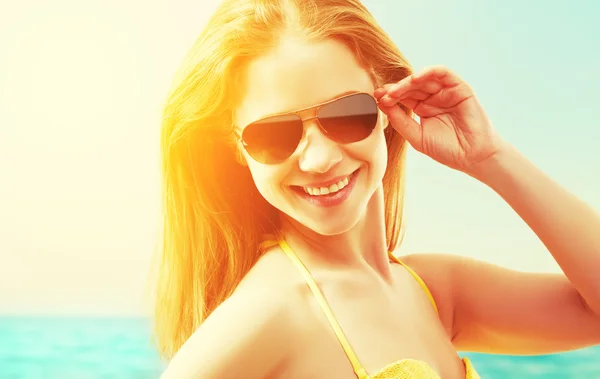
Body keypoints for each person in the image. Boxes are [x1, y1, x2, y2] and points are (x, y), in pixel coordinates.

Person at [152, 0, 600, 378]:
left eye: (347, 114)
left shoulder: (434, 291)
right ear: (234, 146)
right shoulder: (267, 315)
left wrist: (490, 158)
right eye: (273, 134)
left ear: (390, 104)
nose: (319, 159)